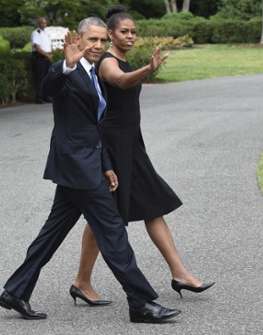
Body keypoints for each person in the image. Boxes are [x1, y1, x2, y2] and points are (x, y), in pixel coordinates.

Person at [0, 16, 181, 324]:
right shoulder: (68, 71)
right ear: (78, 41)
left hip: (83, 166)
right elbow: (49, 86)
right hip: (78, 169)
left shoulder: (93, 75)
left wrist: (107, 166)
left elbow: (95, 127)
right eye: (91, 40)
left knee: (51, 234)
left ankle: (15, 291)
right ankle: (141, 302)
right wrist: (65, 65)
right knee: (112, 230)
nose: (97, 45)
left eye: (100, 40)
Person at [71, 5, 214, 305]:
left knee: (152, 205)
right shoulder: (108, 62)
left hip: (132, 145)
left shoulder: (123, 59)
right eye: (124, 31)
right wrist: (149, 70)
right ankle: (82, 281)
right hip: (114, 147)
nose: (131, 36)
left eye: (134, 31)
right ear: (110, 34)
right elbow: (121, 81)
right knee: (103, 215)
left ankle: (179, 273)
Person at [31, 17, 53, 104]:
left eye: (45, 23)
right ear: (38, 24)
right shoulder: (36, 33)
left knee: (47, 78)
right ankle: (39, 97)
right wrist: (47, 55)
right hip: (40, 57)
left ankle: (46, 96)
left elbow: (49, 44)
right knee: (40, 78)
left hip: (47, 57)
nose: (43, 25)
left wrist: (50, 53)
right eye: (42, 23)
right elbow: (37, 47)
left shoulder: (46, 33)